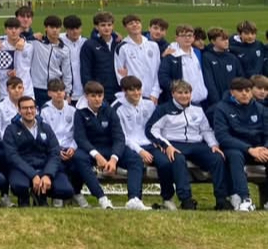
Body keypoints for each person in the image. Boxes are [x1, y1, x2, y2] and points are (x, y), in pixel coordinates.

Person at [145, 80, 227, 210]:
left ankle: (221, 199)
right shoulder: (164, 109)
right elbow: (151, 129)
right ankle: (186, 199)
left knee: (217, 158)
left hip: (196, 143)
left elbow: (205, 129)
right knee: (178, 159)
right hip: (174, 143)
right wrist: (166, 146)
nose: (184, 96)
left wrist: (213, 144)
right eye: (180, 93)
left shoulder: (198, 109)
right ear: (173, 94)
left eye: (187, 93)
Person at [71, 81, 149, 210]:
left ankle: (134, 199)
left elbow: (119, 137)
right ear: (86, 97)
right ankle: (102, 198)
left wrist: (114, 158)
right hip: (91, 150)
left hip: (110, 148)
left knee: (135, 159)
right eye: (93, 96)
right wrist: (97, 156)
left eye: (100, 96)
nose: (97, 99)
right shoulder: (79, 113)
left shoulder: (110, 110)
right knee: (78, 158)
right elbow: (81, 139)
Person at [113, 75, 173, 209]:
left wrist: (160, 142)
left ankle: (167, 198)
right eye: (132, 90)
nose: (136, 93)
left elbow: (155, 127)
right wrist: (140, 151)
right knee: (136, 162)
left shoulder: (149, 104)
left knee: (164, 163)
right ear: (124, 91)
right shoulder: (117, 108)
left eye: (138, 89)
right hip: (130, 146)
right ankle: (135, 199)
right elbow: (122, 136)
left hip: (149, 143)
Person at [3, 95, 73, 206]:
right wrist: (33, 175)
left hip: (44, 166)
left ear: (36, 109)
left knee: (66, 190)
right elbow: (12, 156)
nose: (29, 111)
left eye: (32, 107)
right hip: (22, 169)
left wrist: (47, 174)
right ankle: (24, 199)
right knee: (19, 186)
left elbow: (54, 152)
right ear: (19, 110)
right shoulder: (11, 130)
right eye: (25, 108)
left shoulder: (45, 127)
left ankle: (41, 196)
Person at [212, 77, 268, 212]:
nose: (245, 93)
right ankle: (245, 199)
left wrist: (265, 148)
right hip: (236, 148)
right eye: (240, 91)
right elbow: (223, 137)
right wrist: (248, 149)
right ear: (232, 92)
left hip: (258, 148)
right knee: (235, 156)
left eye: (248, 90)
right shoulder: (221, 108)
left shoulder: (260, 109)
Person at [40, 78, 87, 207]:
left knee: (81, 163)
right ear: (49, 93)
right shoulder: (44, 111)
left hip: (70, 148)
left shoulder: (72, 110)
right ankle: (58, 195)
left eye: (61, 90)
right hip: (54, 149)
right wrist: (57, 149)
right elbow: (46, 134)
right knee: (57, 164)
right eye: (55, 91)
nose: (59, 94)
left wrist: (73, 147)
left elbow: (77, 134)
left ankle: (76, 193)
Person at [114, 14, 162, 103]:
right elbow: (120, 75)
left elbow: (158, 70)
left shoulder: (153, 45)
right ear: (125, 27)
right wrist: (132, 93)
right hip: (134, 96)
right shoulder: (122, 48)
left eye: (137, 22)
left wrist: (155, 93)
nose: (135, 25)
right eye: (131, 23)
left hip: (152, 96)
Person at [158, 25, 209, 107]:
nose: (187, 38)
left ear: (193, 38)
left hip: (200, 101)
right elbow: (163, 77)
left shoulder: (197, 52)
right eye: (183, 36)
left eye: (189, 35)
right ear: (177, 38)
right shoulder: (171, 55)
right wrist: (178, 90)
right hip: (181, 103)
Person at [30, 15, 72, 107]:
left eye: (57, 27)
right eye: (52, 27)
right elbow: (16, 38)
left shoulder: (64, 49)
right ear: (46, 28)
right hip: (37, 88)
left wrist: (67, 92)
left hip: (55, 89)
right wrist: (31, 36)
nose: (55, 30)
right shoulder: (36, 43)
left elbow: (67, 73)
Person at [80, 12, 121, 104]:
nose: (106, 28)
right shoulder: (89, 45)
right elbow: (85, 71)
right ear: (96, 27)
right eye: (103, 25)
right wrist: (91, 91)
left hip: (118, 92)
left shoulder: (119, 43)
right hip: (99, 93)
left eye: (109, 25)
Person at [202, 27, 244, 111]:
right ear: (213, 41)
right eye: (222, 40)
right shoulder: (207, 57)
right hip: (216, 101)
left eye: (227, 39)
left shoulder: (232, 57)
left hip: (233, 99)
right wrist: (216, 100)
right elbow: (209, 81)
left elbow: (240, 77)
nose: (226, 42)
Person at [60, 15, 86, 102]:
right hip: (64, 93)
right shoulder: (59, 42)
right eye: (71, 29)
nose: (75, 31)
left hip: (83, 93)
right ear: (65, 29)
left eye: (77, 28)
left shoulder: (86, 43)